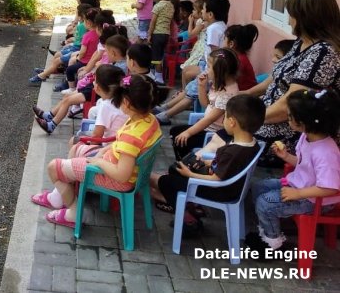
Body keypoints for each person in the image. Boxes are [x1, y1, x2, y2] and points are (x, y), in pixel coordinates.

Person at [33, 74, 162, 229]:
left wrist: (99, 160)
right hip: (117, 165)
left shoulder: (132, 135)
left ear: (127, 103)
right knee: (75, 149)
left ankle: (74, 213)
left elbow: (122, 175)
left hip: (115, 178)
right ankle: (59, 197)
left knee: (53, 167)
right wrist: (104, 151)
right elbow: (122, 145)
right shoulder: (149, 120)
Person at [245, 0, 340, 159]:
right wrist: (244, 95)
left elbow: (290, 104)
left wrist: (249, 119)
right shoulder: (301, 43)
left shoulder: (324, 53)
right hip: (270, 114)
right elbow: (275, 78)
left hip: (293, 127)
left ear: (306, 19)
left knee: (234, 137)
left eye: (292, 15)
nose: (289, 20)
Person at [149, 94, 265, 233]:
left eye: (225, 117)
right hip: (228, 186)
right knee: (176, 170)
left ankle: (187, 217)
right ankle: (184, 203)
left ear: (232, 122)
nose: (223, 120)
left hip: (218, 190)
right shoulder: (252, 144)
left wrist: (190, 174)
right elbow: (230, 166)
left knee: (166, 181)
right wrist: (208, 162)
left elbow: (216, 178)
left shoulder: (233, 151)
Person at [245, 89, 340, 257]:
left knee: (265, 203)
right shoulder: (307, 137)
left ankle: (273, 243)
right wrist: (286, 156)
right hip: (298, 185)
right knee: (258, 187)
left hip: (315, 200)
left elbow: (330, 188)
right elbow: (305, 165)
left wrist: (298, 193)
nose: (287, 119)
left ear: (304, 122)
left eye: (290, 117)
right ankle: (267, 229)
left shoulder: (326, 152)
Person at [170, 48, 240, 160]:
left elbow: (209, 119)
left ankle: (186, 163)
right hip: (208, 127)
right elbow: (206, 104)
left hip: (214, 133)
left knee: (180, 136)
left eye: (209, 66)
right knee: (175, 132)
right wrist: (201, 86)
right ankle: (184, 161)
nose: (206, 70)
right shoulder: (219, 84)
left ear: (219, 71)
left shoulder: (228, 94)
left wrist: (188, 132)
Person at [147, 0, 176, 84]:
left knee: (156, 56)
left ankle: (158, 78)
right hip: (166, 34)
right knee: (160, 54)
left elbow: (153, 22)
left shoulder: (158, 6)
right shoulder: (171, 5)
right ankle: (155, 74)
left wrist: (149, 34)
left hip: (157, 34)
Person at [223, 24, 258, 90]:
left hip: (244, 95)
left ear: (231, 44)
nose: (223, 41)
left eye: (224, 38)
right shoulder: (236, 57)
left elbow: (226, 79)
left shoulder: (239, 61)